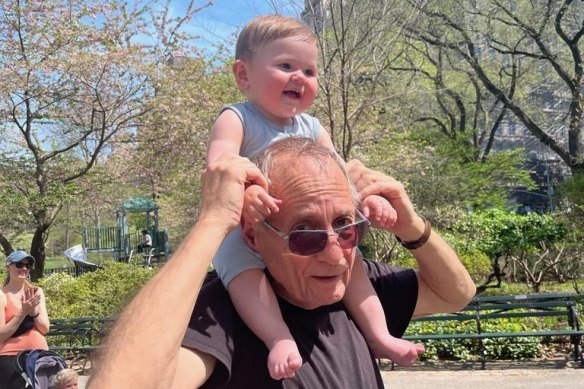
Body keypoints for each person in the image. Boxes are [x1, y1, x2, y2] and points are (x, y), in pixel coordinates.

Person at [89, 138, 476, 388]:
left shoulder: (354, 287)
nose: (333, 252)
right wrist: (212, 221)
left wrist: (412, 226)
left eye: (345, 225)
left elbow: (455, 293)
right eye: (304, 232)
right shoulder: (221, 314)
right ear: (255, 237)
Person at [207, 14, 423, 379]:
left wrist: (368, 200)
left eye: (309, 71)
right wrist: (245, 193)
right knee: (243, 274)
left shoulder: (311, 126)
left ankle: (380, 335)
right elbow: (220, 167)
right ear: (243, 75)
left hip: (308, 234)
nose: (300, 78)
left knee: (349, 265)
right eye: (285, 65)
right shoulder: (237, 118)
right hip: (248, 228)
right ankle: (278, 338)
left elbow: (339, 177)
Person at [0, 250, 50, 389]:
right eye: (19, 264)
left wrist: (33, 312)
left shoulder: (36, 292)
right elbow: (0, 335)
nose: (24, 269)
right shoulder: (2, 295)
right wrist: (23, 312)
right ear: (8, 266)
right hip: (11, 358)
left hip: (39, 356)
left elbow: (45, 329)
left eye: (28, 266)